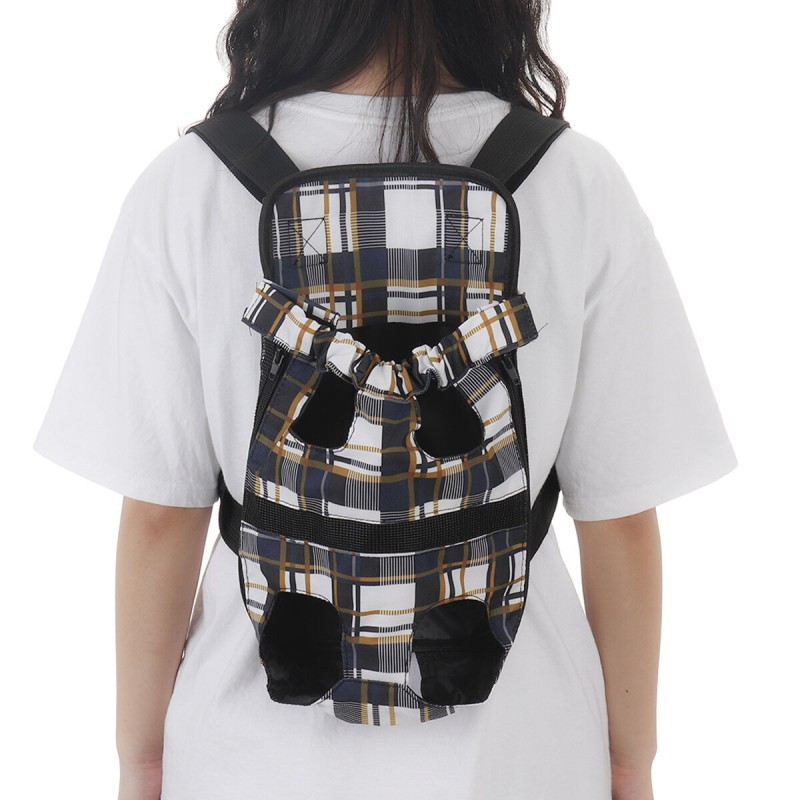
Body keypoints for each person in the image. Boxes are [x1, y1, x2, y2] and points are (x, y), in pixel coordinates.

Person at [31, 2, 738, 799]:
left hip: (251, 761)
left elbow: (162, 516)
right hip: (522, 754)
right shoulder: (577, 179)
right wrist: (630, 763)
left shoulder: (188, 183)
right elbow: (621, 519)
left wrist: (140, 762)